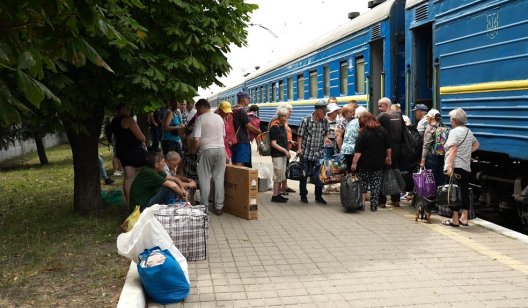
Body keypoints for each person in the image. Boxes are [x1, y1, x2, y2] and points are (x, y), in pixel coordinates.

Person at [442, 108, 479, 227]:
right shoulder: (468, 131)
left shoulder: (454, 132)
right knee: (463, 191)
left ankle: (455, 220)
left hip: (455, 165)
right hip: (465, 166)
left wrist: (449, 166)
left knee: (454, 192)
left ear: (454, 120)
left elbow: (453, 149)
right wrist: (467, 153)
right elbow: (477, 144)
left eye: (450, 119)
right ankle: (464, 218)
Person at [191, 99, 227, 216]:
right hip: (221, 149)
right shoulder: (219, 118)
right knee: (219, 179)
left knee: (204, 179)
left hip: (206, 150)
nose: (197, 112)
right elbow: (223, 136)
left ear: (202, 107)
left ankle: (204, 207)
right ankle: (219, 207)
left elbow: (196, 139)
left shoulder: (200, 119)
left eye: (197, 109)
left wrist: (194, 151)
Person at [351, 112, 391, 212]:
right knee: (376, 185)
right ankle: (374, 206)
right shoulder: (383, 131)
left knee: (363, 184)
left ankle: (362, 204)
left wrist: (354, 163)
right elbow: (388, 147)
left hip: (365, 164)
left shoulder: (362, 134)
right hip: (378, 163)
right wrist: (388, 157)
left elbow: (358, 152)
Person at [110, 104, 147, 205]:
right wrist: (143, 139)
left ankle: (130, 203)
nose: (129, 109)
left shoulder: (114, 121)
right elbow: (141, 137)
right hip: (133, 150)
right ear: (122, 108)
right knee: (148, 170)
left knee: (128, 177)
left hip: (121, 149)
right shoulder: (128, 120)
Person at [297, 100, 328, 205]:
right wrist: (299, 149)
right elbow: (300, 135)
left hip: (318, 153)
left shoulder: (325, 121)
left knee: (320, 175)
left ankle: (318, 196)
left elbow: (325, 134)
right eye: (324, 112)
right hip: (306, 152)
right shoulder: (306, 120)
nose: (325, 114)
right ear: (317, 110)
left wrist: (325, 141)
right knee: (304, 175)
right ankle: (303, 195)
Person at [376, 97, 403, 208]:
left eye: (380, 106)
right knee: (395, 173)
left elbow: (375, 131)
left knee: (382, 174)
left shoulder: (382, 116)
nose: (379, 108)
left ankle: (382, 201)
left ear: (386, 105)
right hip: (397, 149)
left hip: (385, 150)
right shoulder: (398, 115)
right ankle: (396, 199)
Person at [269, 103, 296, 195]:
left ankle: (280, 192)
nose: (286, 117)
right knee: (278, 174)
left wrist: (289, 141)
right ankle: (276, 194)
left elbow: (282, 137)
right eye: (289, 112)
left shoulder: (282, 124)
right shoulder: (275, 125)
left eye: (286, 115)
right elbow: (273, 143)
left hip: (283, 153)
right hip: (278, 154)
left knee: (281, 174)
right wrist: (284, 150)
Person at [231, 91, 261, 167]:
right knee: (240, 164)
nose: (249, 100)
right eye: (248, 98)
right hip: (242, 141)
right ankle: (239, 179)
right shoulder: (242, 111)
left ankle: (235, 178)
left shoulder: (232, 109)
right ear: (243, 99)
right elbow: (249, 126)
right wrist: (258, 131)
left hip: (233, 140)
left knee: (234, 164)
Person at [420, 109, 448, 187]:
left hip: (432, 156)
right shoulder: (444, 126)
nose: (427, 119)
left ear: (431, 118)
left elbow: (426, 146)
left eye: (428, 117)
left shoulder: (429, 128)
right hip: (442, 156)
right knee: (441, 177)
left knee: (432, 179)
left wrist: (422, 160)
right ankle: (441, 195)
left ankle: (433, 195)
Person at [341, 106, 367, 171]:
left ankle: (350, 181)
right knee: (357, 171)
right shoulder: (360, 122)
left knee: (350, 171)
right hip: (354, 149)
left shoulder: (351, 122)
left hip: (346, 149)